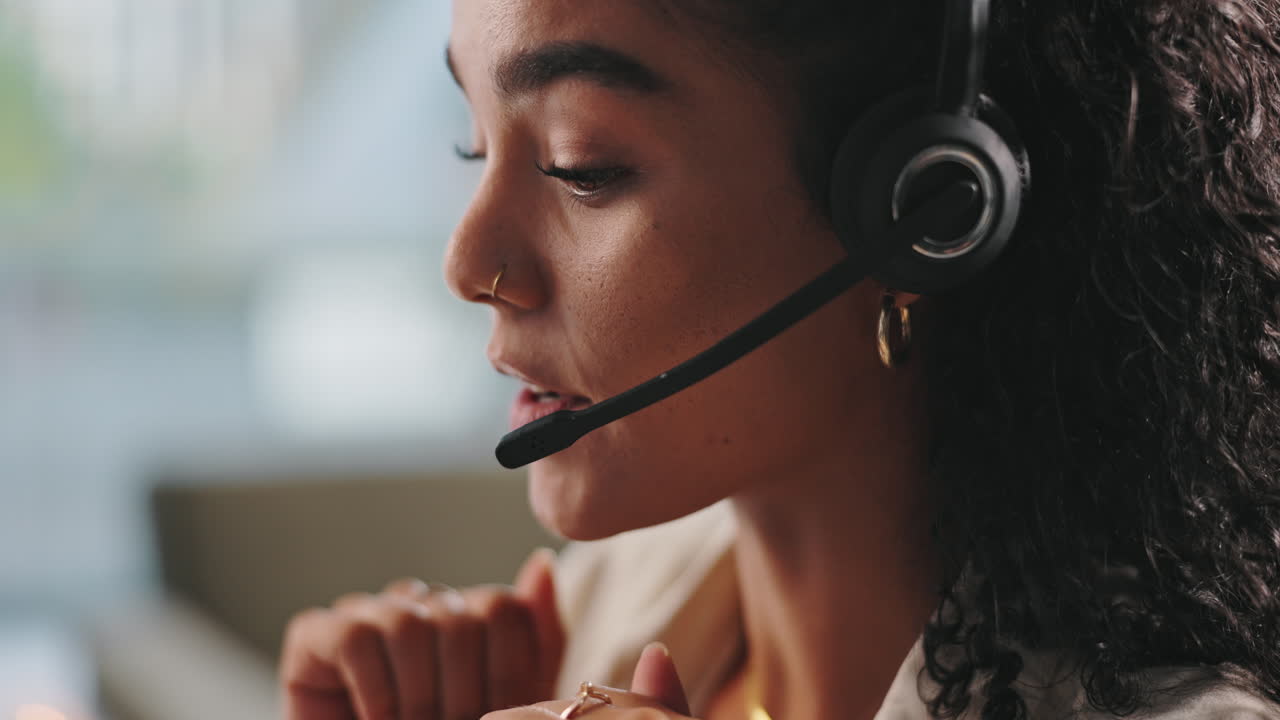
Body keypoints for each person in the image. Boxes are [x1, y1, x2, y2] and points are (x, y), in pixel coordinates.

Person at [279, 1, 1280, 719]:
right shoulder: (590, 620)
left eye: (581, 166)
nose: (468, 264)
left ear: (928, 211)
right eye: (472, 148)